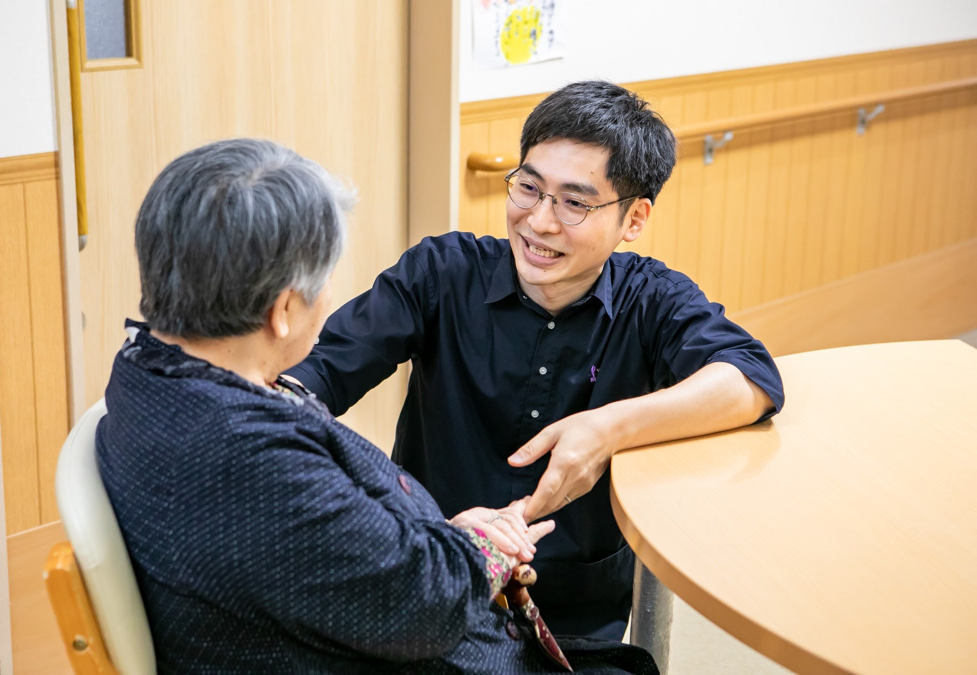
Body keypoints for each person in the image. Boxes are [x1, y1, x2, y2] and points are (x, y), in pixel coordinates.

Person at [96, 138, 657, 673]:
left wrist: (445, 535)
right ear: (285, 311)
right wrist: (477, 545)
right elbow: (426, 606)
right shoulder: (250, 455)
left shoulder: (146, 373)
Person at [287, 81, 786, 640]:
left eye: (575, 202)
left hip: (572, 612)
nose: (539, 222)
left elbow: (751, 379)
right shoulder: (442, 273)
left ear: (634, 220)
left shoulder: (653, 300)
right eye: (528, 188)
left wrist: (607, 428)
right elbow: (310, 380)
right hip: (430, 581)